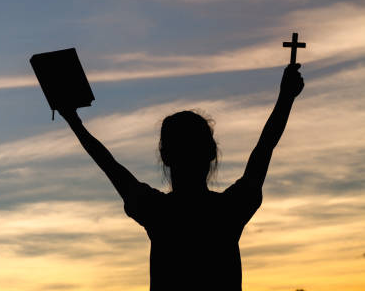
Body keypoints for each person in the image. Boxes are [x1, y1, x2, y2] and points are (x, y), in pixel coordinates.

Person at [58, 63, 304, 290]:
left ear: (165, 157)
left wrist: (74, 120)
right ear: (210, 153)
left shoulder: (157, 211)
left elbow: (109, 165)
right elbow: (265, 147)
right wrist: (285, 99)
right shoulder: (229, 210)